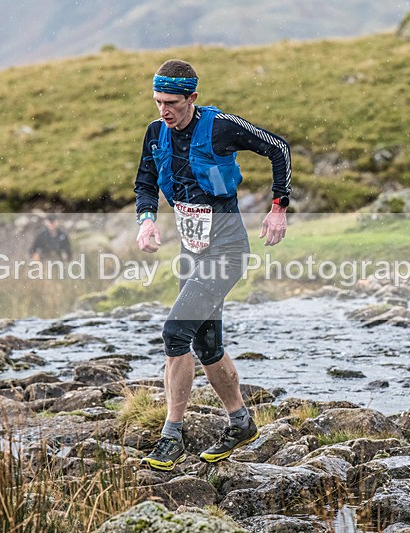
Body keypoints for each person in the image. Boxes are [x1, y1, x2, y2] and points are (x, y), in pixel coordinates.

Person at [134, 59, 291, 471]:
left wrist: (278, 207)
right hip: (191, 252)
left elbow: (279, 148)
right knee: (207, 346)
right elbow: (145, 183)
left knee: (174, 332)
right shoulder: (156, 133)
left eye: (171, 103)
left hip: (227, 250)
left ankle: (172, 435)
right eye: (157, 102)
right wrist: (146, 220)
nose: (163, 111)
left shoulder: (220, 127)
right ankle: (241, 421)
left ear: (192, 98)